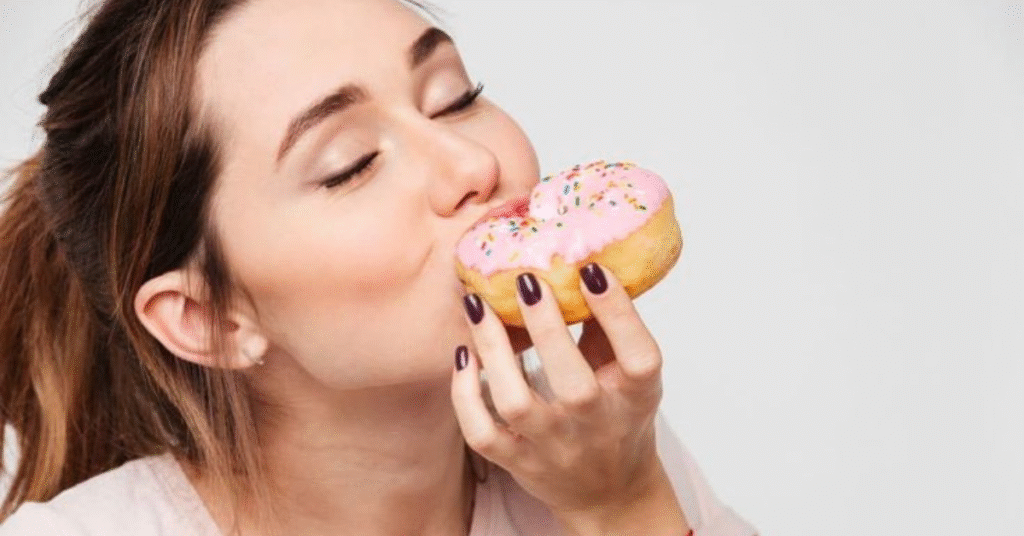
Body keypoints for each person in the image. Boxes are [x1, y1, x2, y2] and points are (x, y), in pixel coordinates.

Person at [0, 0, 759, 534]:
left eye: (456, 97)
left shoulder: (607, 460)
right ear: (209, 320)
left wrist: (625, 511)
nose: (472, 163)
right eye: (351, 164)